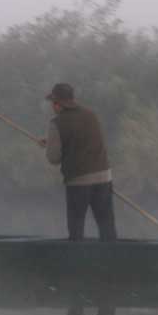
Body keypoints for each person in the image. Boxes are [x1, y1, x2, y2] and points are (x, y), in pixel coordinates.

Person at [41, 83, 118, 241]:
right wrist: (54, 142)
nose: (52, 107)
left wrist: (50, 145)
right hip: (104, 177)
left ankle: (76, 262)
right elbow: (84, 141)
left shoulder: (57, 123)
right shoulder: (91, 115)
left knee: (76, 229)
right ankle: (112, 259)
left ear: (57, 103)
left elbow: (53, 158)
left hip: (78, 181)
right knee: (106, 225)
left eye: (53, 103)